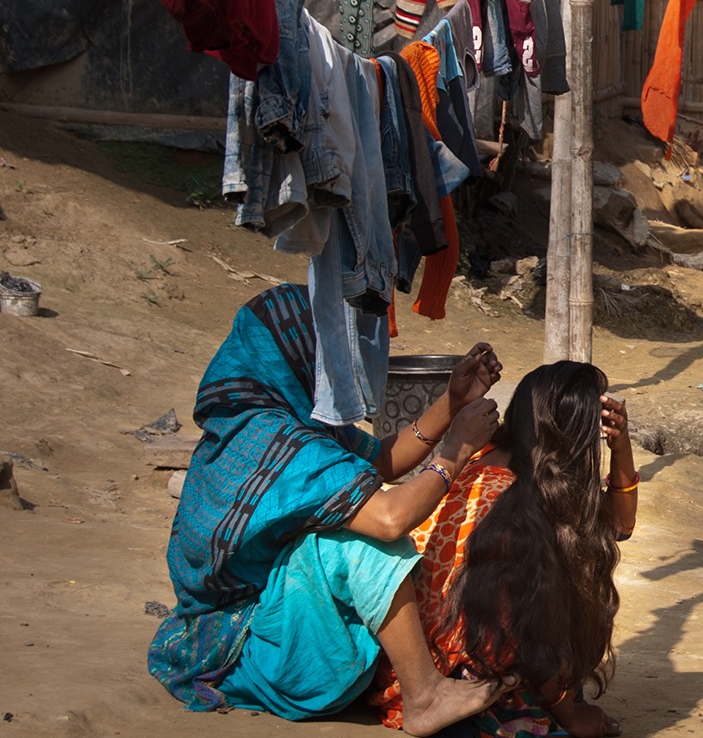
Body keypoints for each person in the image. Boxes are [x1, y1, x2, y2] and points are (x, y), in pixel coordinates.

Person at [148, 284, 508, 735]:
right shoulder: (271, 439)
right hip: (259, 652)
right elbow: (389, 517)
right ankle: (424, 695)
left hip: (278, 636)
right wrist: (455, 450)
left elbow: (377, 459)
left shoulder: (269, 420)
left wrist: (451, 403)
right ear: (299, 348)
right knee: (358, 545)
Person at [368, 360, 635, 737]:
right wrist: (571, 717)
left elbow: (620, 526)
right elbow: (528, 633)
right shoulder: (527, 506)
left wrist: (621, 446)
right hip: (464, 676)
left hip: (406, 668)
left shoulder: (485, 457)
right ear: (575, 437)